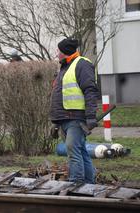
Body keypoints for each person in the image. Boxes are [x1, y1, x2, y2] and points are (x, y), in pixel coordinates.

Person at [50, 38, 99, 184]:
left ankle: (76, 183)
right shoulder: (65, 67)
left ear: (64, 52)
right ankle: (89, 185)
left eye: (58, 51)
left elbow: (90, 91)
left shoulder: (82, 64)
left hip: (76, 118)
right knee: (81, 152)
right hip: (65, 118)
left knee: (73, 152)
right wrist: (56, 122)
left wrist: (91, 116)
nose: (57, 53)